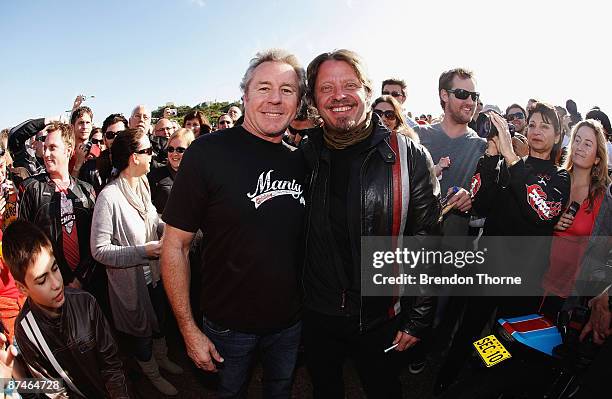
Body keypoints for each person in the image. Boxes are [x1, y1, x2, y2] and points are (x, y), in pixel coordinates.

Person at [161, 49, 306, 398]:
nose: (275, 98)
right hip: (227, 328)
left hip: (290, 325)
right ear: (244, 95)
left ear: (298, 102)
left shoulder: (302, 160)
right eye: (264, 87)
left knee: (281, 389)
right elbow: (174, 245)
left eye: (287, 90)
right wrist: (188, 330)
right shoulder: (207, 152)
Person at [301, 49, 440, 399]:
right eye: (326, 87)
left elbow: (426, 242)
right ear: (314, 99)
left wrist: (418, 316)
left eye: (349, 84)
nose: (338, 96)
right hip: (317, 314)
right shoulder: (303, 156)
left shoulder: (409, 155)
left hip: (380, 315)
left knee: (383, 389)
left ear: (366, 91)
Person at [436, 102, 571, 395]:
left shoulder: (560, 176)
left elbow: (543, 212)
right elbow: (479, 202)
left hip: (523, 280)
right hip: (487, 268)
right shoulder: (505, 164)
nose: (536, 131)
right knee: (467, 330)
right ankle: (446, 381)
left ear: (558, 135)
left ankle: (482, 387)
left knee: (502, 338)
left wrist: (511, 156)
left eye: (545, 126)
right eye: (532, 124)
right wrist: (491, 154)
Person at [90, 128, 181, 396]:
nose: (154, 155)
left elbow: (153, 220)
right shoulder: (109, 197)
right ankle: (151, 372)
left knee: (159, 320)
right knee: (141, 333)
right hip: (132, 284)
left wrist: (173, 231)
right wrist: (144, 251)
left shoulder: (141, 184)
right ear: (133, 157)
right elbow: (99, 250)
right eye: (148, 151)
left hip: (155, 274)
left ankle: (162, 358)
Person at [3, 220, 131, 398]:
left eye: (55, 268)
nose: (56, 284)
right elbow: (53, 391)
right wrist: (8, 386)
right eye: (42, 280)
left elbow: (112, 366)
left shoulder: (86, 303)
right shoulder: (25, 330)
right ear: (22, 288)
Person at [18, 122, 97, 292]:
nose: (46, 153)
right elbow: (24, 243)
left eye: (52, 147)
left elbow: (95, 240)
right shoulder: (30, 188)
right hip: (48, 286)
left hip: (87, 285)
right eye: (45, 147)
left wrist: (80, 279)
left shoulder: (87, 190)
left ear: (69, 150)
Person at [542, 119, 610, 302]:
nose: (579, 146)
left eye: (588, 144)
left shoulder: (604, 198)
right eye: (577, 140)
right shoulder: (551, 180)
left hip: (568, 294)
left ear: (597, 158)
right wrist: (550, 223)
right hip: (535, 280)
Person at [148, 128, 195, 213]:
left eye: (180, 150)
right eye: (170, 149)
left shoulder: (200, 178)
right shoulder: (155, 176)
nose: (174, 153)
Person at [79, 113, 128, 194]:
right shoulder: (90, 168)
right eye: (110, 135)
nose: (115, 138)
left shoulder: (138, 163)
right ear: (105, 139)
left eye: (120, 134)